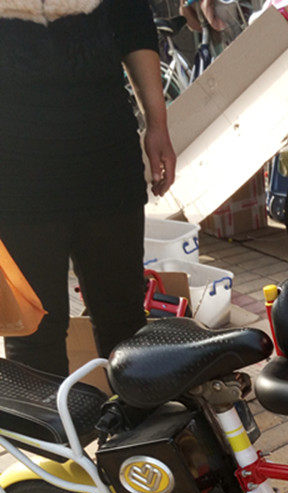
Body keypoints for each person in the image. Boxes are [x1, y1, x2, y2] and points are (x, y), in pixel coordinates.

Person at [0, 0, 177, 378]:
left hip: (104, 156)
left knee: (125, 322)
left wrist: (158, 125)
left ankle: (136, 417)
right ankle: (46, 422)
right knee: (32, 336)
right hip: (15, 171)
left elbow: (133, 25)